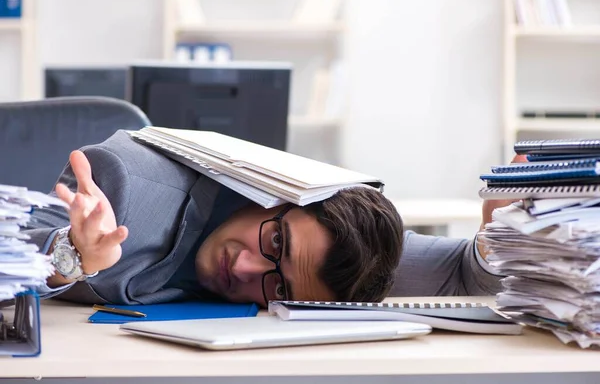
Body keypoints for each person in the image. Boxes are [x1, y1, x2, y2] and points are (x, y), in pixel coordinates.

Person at [25, 130, 510, 307]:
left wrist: (504, 234)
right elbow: (16, 253)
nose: (246, 271)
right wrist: (76, 255)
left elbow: (469, 273)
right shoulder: (123, 184)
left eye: (279, 290)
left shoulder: (345, 262)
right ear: (274, 197)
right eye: (276, 244)